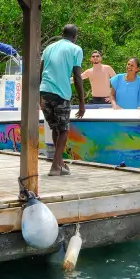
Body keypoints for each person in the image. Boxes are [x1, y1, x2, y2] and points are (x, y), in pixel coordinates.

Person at [40, 24, 85, 176]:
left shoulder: (48, 48)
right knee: (64, 130)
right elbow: (78, 77)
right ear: (75, 36)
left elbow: (40, 72)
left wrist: (37, 95)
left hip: (45, 92)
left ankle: (60, 163)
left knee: (54, 128)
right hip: (61, 94)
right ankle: (55, 166)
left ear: (62, 34)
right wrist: (81, 102)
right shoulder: (75, 49)